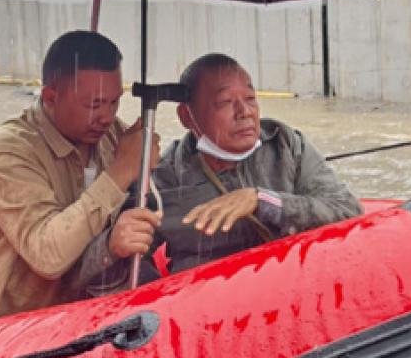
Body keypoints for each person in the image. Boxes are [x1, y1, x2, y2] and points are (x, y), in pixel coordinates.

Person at [0, 31, 161, 320]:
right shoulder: (6, 152)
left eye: (114, 102)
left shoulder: (111, 135)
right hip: (10, 324)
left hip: (85, 311)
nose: (107, 116)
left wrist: (147, 168)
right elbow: (47, 256)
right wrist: (119, 174)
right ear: (51, 97)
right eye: (93, 105)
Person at [150, 53, 360, 274]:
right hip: (209, 292)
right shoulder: (164, 176)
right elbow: (133, 258)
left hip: (287, 282)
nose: (245, 112)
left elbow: (347, 210)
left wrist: (264, 202)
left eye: (250, 98)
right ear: (186, 116)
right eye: (225, 102)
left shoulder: (286, 143)